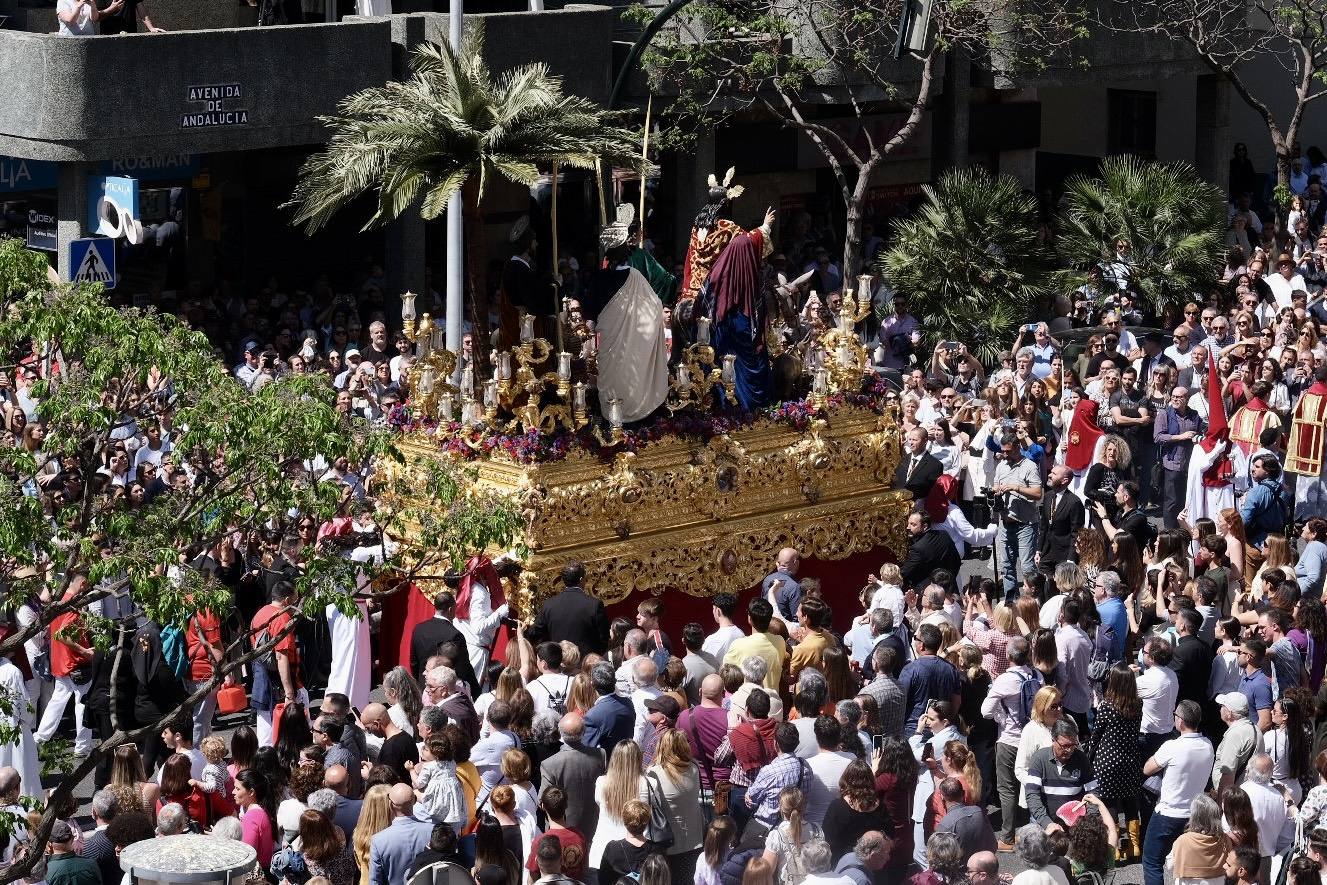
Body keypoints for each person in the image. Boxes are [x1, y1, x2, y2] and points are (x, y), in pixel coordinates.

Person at [1141, 701, 1215, 885]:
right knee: (1186, 863)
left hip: (1167, 814)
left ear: (1180, 721)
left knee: (1152, 861)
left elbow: (1147, 769)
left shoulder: (1171, 746)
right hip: (1193, 816)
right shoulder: (1207, 745)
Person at [539, 712, 606, 838]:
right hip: (595, 826)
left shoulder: (549, 764)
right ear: (584, 732)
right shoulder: (600, 755)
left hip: (565, 830)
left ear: (560, 733)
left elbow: (544, 801)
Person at [992, 432, 1043, 595]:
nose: (1004, 454)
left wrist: (1016, 487)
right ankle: (1011, 602)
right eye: (1003, 451)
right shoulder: (1001, 466)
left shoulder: (1029, 466)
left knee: (1027, 567)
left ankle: (1033, 602)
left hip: (1025, 524)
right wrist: (994, 491)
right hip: (1005, 523)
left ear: (1017, 448)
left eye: (1008, 451)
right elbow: (995, 487)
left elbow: (1037, 493)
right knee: (1006, 566)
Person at [1025, 718, 1097, 829]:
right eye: (1064, 746)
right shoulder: (1039, 758)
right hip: (1043, 823)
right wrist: (1047, 823)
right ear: (1053, 740)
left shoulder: (1082, 759)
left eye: (1073, 745)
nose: (1069, 750)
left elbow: (1093, 792)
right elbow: (1032, 795)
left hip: (1075, 825)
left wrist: (1090, 819)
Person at [527, 561, 610, 655]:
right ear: (582, 579)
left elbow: (533, 633)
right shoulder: (594, 605)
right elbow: (604, 637)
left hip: (559, 663)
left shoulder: (549, 605)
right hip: (586, 664)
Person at [1155, 386, 1203, 528]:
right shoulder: (1164, 414)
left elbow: (1201, 432)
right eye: (1173, 396)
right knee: (1172, 500)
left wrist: (1197, 437)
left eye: (1179, 397)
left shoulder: (1194, 415)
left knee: (1185, 499)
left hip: (1189, 464)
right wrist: (1180, 437)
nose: (1175, 399)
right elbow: (1158, 437)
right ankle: (1169, 532)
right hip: (1172, 463)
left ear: (1187, 399)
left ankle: (1183, 530)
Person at [368, 784, 433, 885]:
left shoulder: (378, 840)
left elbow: (375, 881)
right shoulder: (432, 831)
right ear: (415, 801)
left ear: (390, 804)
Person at [935, 774, 998, 857]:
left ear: (942, 797)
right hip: (980, 866)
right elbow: (993, 844)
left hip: (958, 869)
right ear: (963, 793)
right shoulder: (979, 812)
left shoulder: (945, 825)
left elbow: (941, 859)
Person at [900, 510, 961, 591]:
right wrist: (949, 579)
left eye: (913, 524)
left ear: (925, 526)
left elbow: (904, 572)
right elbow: (957, 560)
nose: (908, 527)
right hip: (950, 587)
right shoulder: (944, 534)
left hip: (929, 592)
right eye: (908, 523)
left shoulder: (918, 548)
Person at [1212, 692, 1258, 797]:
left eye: (1222, 706)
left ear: (1229, 713)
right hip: (1245, 795)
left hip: (1233, 799)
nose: (1220, 709)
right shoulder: (1255, 728)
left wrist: (1221, 805)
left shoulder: (1235, 735)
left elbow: (1228, 775)